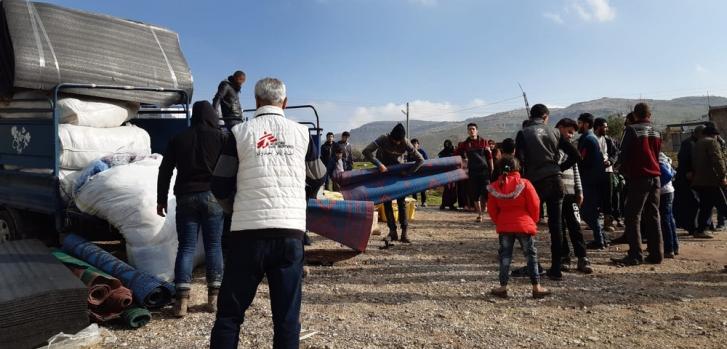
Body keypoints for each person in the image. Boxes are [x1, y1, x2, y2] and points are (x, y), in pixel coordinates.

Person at [210, 77, 315, 348]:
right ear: (285, 103)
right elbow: (318, 176)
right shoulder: (302, 133)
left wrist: (236, 209)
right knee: (287, 318)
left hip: (247, 236)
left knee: (230, 315)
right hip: (289, 235)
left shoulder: (240, 133)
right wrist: (299, 200)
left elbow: (219, 184)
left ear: (255, 102)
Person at [156, 101, 224, 317]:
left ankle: (181, 302)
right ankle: (213, 299)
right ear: (212, 115)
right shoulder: (221, 137)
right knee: (213, 246)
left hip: (185, 197)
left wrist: (161, 199)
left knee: (186, 247)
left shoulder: (178, 139)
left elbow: (165, 170)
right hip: (213, 197)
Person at [515, 104, 580, 281]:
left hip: (534, 184)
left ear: (532, 116)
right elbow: (576, 156)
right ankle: (556, 269)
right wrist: (558, 168)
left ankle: (534, 266)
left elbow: (519, 161)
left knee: (529, 225)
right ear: (545, 117)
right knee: (556, 226)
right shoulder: (556, 133)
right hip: (555, 181)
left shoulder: (523, 133)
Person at [487, 157, 551, 299]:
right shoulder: (525, 184)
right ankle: (536, 287)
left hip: (504, 225)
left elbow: (491, 209)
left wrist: (500, 221)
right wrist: (531, 221)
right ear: (518, 168)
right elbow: (535, 204)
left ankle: (503, 287)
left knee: (505, 257)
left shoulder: (495, 186)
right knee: (531, 256)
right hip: (524, 224)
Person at [612, 103, 663, 266]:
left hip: (639, 177)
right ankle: (657, 254)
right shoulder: (657, 131)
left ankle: (635, 254)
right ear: (650, 115)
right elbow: (656, 154)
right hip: (655, 177)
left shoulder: (631, 130)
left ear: (634, 115)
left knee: (632, 216)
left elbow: (623, 155)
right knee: (653, 215)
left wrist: (619, 169)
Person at [362, 123, 425, 248]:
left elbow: (421, 159)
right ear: (391, 136)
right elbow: (366, 151)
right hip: (384, 173)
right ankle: (392, 232)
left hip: (398, 175)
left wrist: (408, 173)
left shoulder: (406, 142)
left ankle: (404, 233)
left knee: (402, 204)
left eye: (399, 141)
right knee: (387, 202)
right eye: (394, 140)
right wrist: (378, 164)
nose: (397, 143)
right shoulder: (383, 138)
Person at [556, 118, 593, 273]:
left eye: (573, 133)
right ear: (560, 128)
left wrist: (580, 191)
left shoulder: (571, 147)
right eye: (569, 132)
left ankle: (582, 257)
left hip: (571, 193)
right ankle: (565, 257)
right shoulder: (552, 145)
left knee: (575, 226)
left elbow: (576, 170)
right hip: (557, 193)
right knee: (559, 227)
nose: (571, 136)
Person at [577, 113, 609, 250]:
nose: (577, 125)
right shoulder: (590, 138)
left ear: (586, 124)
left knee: (586, 212)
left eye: (579, 122)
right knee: (590, 212)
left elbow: (582, 161)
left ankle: (600, 239)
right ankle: (601, 238)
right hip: (593, 180)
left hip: (589, 181)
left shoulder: (588, 139)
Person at [690, 125, 727, 239]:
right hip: (711, 180)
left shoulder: (697, 143)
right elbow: (717, 160)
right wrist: (723, 176)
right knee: (723, 205)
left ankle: (701, 229)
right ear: (714, 135)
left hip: (699, 180)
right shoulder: (711, 142)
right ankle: (701, 229)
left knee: (706, 205)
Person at [455, 123, 494, 223]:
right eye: (469, 129)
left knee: (486, 192)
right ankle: (480, 215)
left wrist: (491, 169)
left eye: (473, 129)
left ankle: (489, 212)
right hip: (472, 172)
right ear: (468, 131)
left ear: (477, 131)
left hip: (484, 171)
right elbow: (456, 153)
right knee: (475, 194)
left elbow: (489, 157)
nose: (471, 131)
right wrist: (464, 161)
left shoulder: (484, 142)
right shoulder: (465, 144)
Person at [674, 125, 704, 235]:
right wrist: (688, 171)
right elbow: (684, 159)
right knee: (692, 202)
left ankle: (692, 226)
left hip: (691, 178)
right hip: (685, 178)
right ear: (698, 133)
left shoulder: (696, 143)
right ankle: (692, 227)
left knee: (693, 202)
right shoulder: (689, 143)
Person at [594, 117, 619, 232]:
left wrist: (610, 161)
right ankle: (594, 222)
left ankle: (608, 223)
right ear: (598, 127)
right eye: (604, 126)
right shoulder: (591, 139)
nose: (606, 129)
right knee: (595, 197)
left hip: (607, 171)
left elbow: (615, 154)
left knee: (608, 198)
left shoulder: (608, 140)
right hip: (595, 172)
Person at [658, 152, 678, 257]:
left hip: (664, 192)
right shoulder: (664, 156)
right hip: (669, 191)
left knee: (665, 221)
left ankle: (669, 249)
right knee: (669, 219)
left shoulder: (658, 157)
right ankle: (674, 247)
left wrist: (658, 186)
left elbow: (668, 175)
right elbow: (673, 172)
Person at [439, 139, 458, 210]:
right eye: (446, 144)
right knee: (447, 188)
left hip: (453, 172)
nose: (447, 145)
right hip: (446, 173)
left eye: (448, 143)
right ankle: (444, 204)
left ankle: (451, 204)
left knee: (453, 189)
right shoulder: (442, 153)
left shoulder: (454, 152)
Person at [410, 139, 430, 207]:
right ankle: (415, 202)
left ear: (418, 144)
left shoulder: (422, 151)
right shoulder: (410, 153)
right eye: (412, 143)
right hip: (414, 173)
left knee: (423, 188)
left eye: (415, 143)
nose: (414, 145)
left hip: (422, 173)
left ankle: (424, 201)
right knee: (414, 188)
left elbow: (427, 161)